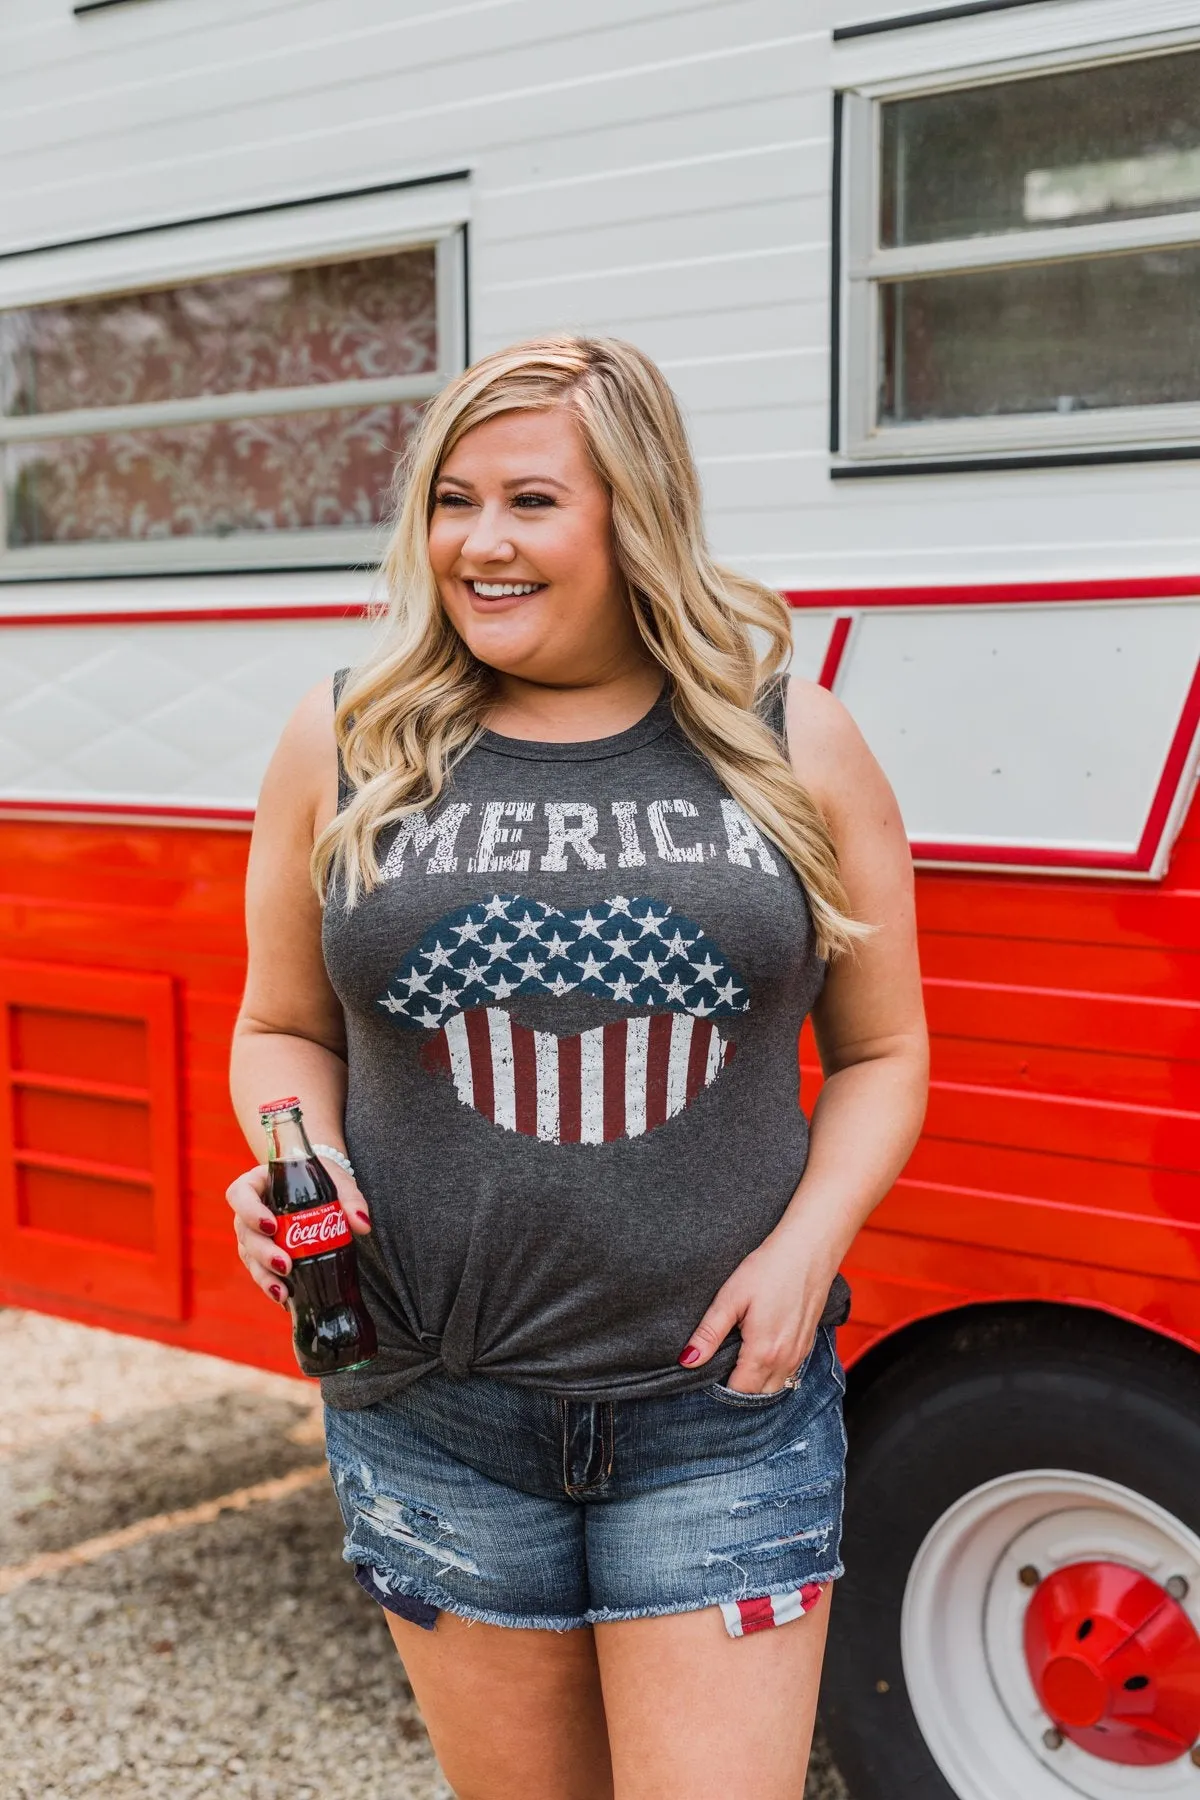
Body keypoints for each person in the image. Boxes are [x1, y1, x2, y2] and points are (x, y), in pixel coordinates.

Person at [225, 335, 928, 1800]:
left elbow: (883, 1050)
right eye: (452, 498)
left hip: (722, 1410)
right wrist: (299, 1151)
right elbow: (280, 1024)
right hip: (433, 1405)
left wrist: (811, 1247)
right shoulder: (349, 738)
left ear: (635, 514)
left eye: (532, 500)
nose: (479, 543)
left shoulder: (790, 744)